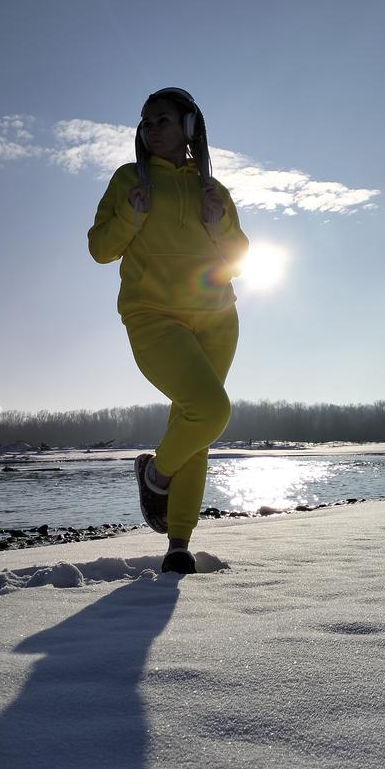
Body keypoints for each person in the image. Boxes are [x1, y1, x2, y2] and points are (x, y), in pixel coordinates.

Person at [88, 88, 248, 574]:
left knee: (194, 426)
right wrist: (131, 216)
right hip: (153, 315)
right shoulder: (129, 180)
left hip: (216, 318)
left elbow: (240, 258)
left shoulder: (212, 189)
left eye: (162, 120)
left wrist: (218, 226)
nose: (151, 129)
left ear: (189, 127)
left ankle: (179, 543)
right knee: (210, 409)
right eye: (146, 122)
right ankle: (156, 474)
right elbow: (100, 249)